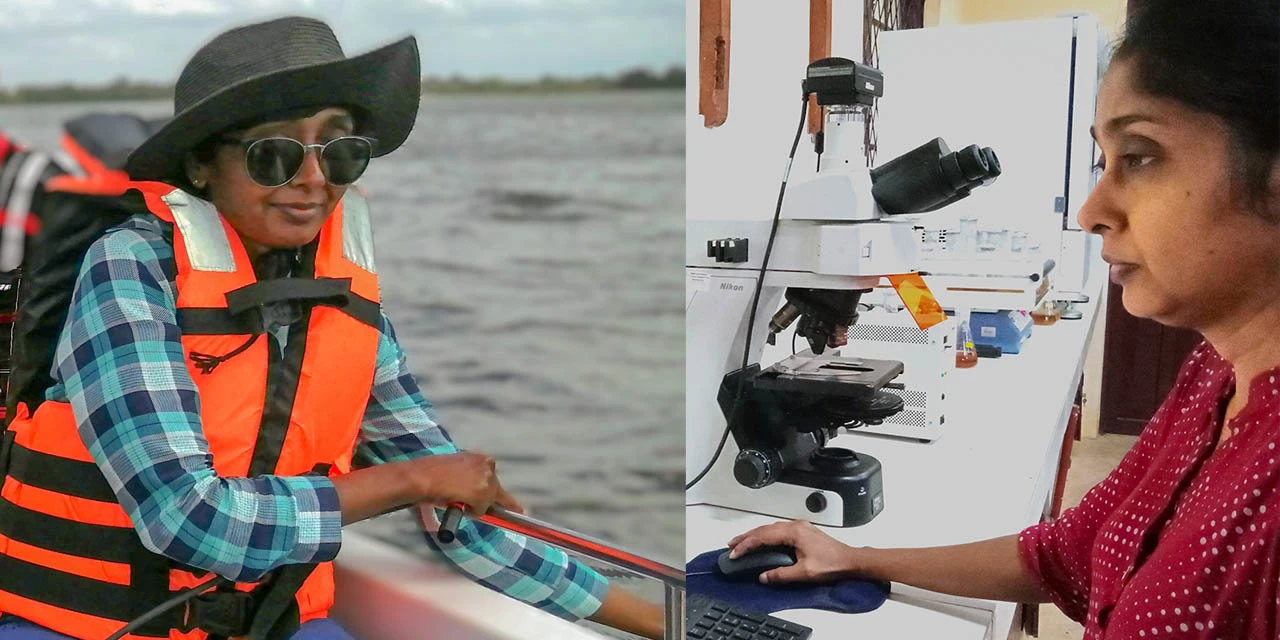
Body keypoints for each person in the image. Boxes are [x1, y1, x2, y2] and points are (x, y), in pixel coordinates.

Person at [0, 16, 662, 640]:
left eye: (340, 151)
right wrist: (410, 483)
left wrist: (669, 623)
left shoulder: (340, 297)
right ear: (202, 166)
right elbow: (190, 520)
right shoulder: (130, 267)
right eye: (274, 154)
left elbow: (461, 509)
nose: (314, 180)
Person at [727, 0, 1280, 637]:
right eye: (1103, 161)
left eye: (1141, 156)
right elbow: (1064, 556)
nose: (1090, 211)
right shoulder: (1213, 373)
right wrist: (856, 559)